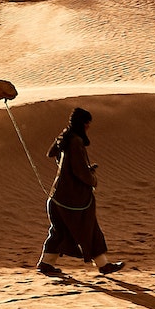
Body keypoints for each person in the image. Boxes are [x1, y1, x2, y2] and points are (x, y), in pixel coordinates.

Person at [38, 107, 125, 278]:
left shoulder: (66, 137)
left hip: (57, 196)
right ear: (83, 124)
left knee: (59, 230)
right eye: (87, 124)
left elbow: (52, 154)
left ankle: (46, 264)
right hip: (72, 200)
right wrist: (92, 178)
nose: (88, 127)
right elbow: (79, 171)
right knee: (90, 228)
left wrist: (62, 137)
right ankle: (103, 265)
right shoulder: (75, 141)